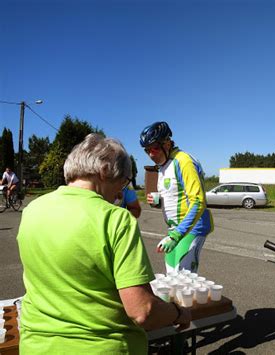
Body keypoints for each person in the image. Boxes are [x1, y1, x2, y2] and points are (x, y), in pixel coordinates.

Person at [17, 134, 190, 354]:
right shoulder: (116, 219)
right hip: (101, 346)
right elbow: (142, 311)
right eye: (124, 181)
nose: (120, 192)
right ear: (105, 170)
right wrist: (178, 312)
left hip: (36, 345)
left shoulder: (33, 209)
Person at [140, 121, 213, 273]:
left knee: (182, 279)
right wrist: (158, 201)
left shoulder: (183, 161)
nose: (151, 154)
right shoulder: (164, 166)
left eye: (154, 148)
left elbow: (198, 201)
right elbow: (175, 195)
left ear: (167, 143)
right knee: (171, 275)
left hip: (191, 228)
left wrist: (176, 236)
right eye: (147, 150)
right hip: (174, 228)